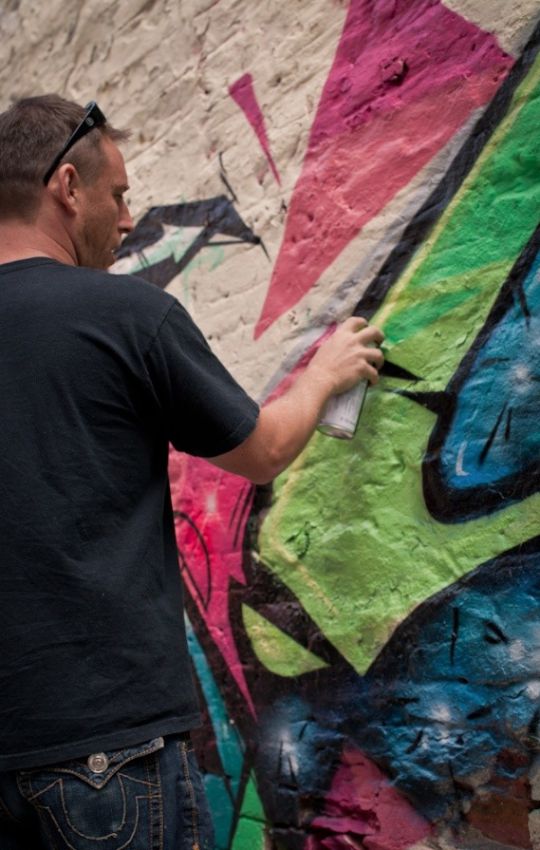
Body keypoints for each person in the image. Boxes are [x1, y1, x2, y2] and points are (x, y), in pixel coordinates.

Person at [0, 94, 384, 850]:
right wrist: (323, 375)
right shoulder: (124, 315)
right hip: (109, 745)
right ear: (67, 187)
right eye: (117, 195)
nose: (127, 220)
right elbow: (261, 450)